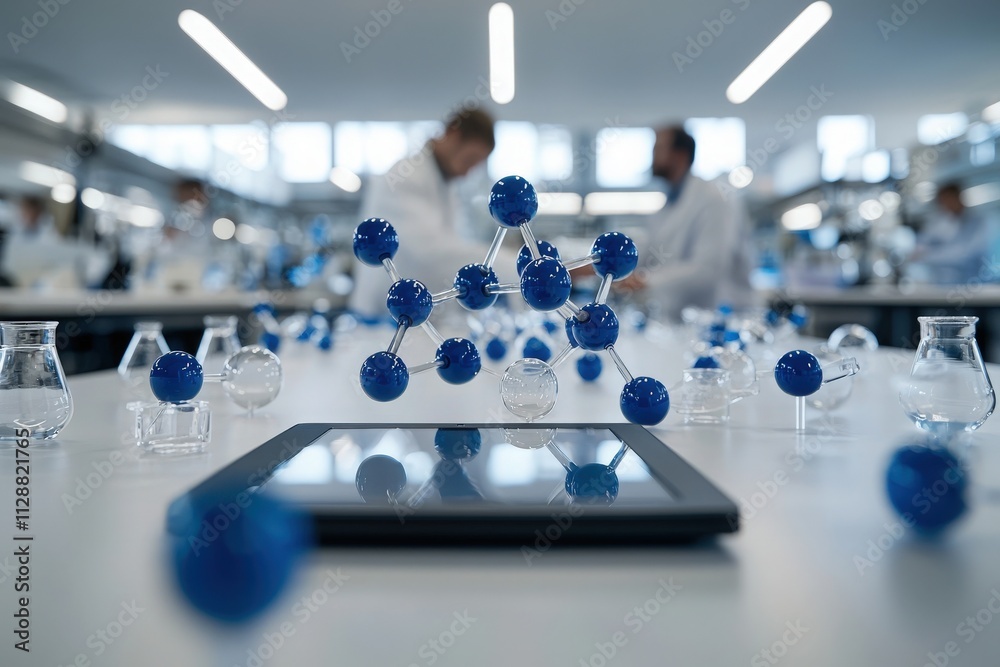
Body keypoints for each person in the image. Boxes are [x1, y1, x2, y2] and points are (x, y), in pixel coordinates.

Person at [349, 108, 501, 318]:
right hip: (381, 316)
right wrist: (516, 265)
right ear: (453, 136)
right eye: (469, 159)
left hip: (418, 313)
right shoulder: (406, 176)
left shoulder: (446, 186)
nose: (467, 172)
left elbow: (455, 246)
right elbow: (434, 253)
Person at [616, 125, 754, 319]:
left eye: (658, 149)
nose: (652, 156)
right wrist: (610, 264)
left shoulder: (712, 199)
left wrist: (645, 281)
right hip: (681, 318)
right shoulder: (669, 204)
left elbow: (708, 269)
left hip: (722, 316)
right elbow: (648, 251)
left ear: (679, 155)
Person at [909, 183, 993, 284]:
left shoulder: (979, 222)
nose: (946, 205)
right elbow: (920, 246)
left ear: (958, 197)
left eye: (948, 200)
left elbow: (964, 254)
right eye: (942, 202)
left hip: (973, 284)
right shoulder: (940, 222)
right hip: (942, 285)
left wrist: (927, 256)